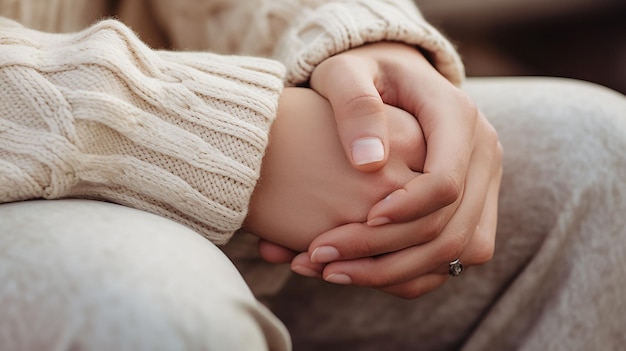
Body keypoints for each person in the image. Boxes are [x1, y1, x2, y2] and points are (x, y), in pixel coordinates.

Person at [0, 1, 625, 351]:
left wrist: (348, 36)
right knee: (149, 313)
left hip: (185, 69)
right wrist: (242, 138)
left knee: (601, 157)